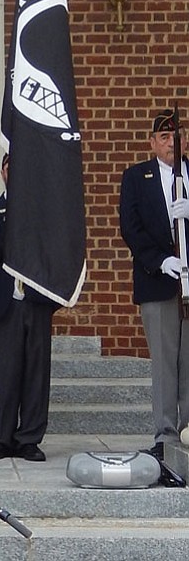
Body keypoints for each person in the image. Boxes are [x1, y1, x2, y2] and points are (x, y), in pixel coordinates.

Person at [0, 154, 57, 462]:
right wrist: (19, 220)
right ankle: (3, 437)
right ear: (2, 172)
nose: (15, 173)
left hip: (36, 301)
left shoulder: (46, 213)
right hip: (4, 303)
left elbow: (49, 250)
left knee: (37, 372)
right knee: (7, 374)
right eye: (10, 167)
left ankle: (30, 439)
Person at [120, 108, 189, 460]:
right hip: (159, 279)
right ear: (152, 142)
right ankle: (165, 433)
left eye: (176, 136)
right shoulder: (137, 177)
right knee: (164, 361)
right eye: (164, 137)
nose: (171, 143)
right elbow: (130, 228)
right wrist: (161, 261)